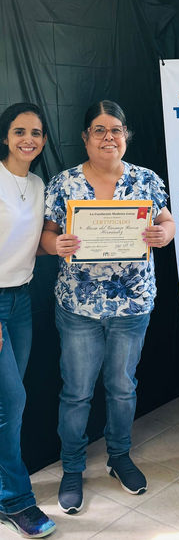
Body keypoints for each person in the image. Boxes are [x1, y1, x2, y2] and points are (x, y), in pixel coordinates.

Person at [41, 100, 175, 514]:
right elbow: (46, 234)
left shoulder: (145, 179)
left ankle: (119, 457)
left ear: (126, 135)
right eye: (99, 130)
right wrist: (55, 245)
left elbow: (168, 221)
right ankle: (72, 468)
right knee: (77, 392)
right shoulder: (64, 183)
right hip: (78, 306)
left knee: (122, 387)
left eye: (116, 129)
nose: (108, 137)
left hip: (132, 304)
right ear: (85, 137)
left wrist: (165, 234)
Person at [0, 103, 56, 537]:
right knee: (12, 402)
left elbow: (30, 243)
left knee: (7, 403)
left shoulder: (37, 184)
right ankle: (15, 501)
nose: (28, 139)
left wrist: (64, 244)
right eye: (20, 131)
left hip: (22, 299)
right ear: (5, 136)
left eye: (36, 133)